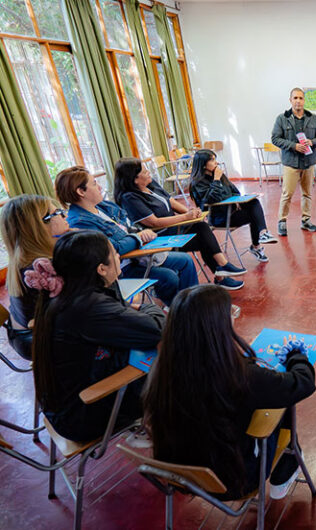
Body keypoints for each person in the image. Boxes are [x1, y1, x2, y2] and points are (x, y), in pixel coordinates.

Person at [142, 284, 316, 500]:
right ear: (216, 327)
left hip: (178, 474)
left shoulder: (162, 369)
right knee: (281, 400)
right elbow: (302, 383)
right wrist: (297, 356)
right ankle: (285, 471)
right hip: (235, 480)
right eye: (231, 312)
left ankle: (286, 469)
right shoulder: (237, 374)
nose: (234, 317)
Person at [29, 230, 165, 442]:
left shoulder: (68, 294)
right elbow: (156, 330)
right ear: (101, 269)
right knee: (182, 367)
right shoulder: (88, 307)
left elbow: (125, 313)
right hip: (85, 413)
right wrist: (148, 307)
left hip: (67, 404)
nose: (119, 256)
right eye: (114, 253)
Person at [56, 166, 205, 301]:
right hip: (120, 268)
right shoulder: (80, 222)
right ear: (81, 191)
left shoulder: (104, 206)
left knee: (185, 260)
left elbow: (129, 225)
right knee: (168, 277)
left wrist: (141, 233)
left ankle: (191, 307)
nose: (100, 187)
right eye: (94, 184)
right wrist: (137, 237)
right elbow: (112, 249)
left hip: (139, 255)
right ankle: (182, 314)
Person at [113, 157, 251, 282]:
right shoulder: (130, 198)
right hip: (161, 237)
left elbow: (171, 201)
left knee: (202, 229)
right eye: (144, 171)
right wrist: (186, 217)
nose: (148, 172)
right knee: (203, 236)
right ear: (134, 179)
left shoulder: (150, 184)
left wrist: (191, 212)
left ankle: (222, 269)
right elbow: (154, 222)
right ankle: (222, 271)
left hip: (175, 228)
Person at [0, 195, 70, 359]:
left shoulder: (24, 257)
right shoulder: (41, 267)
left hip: (24, 334)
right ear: (39, 225)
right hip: (41, 341)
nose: (65, 215)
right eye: (57, 212)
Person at [189, 149, 276, 265]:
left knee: (254, 203)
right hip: (219, 219)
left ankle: (263, 234)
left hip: (232, 212)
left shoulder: (220, 176)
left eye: (216, 159)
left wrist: (237, 200)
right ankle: (256, 246)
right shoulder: (198, 183)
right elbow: (211, 199)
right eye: (212, 160)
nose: (216, 163)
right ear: (203, 164)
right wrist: (216, 180)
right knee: (253, 214)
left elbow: (234, 191)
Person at [271, 88, 316, 236]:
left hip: (309, 162)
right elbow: (275, 139)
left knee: (307, 193)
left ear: (304, 100)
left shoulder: (313, 118)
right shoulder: (282, 118)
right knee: (287, 193)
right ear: (290, 100)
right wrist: (293, 146)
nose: (298, 101)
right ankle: (282, 222)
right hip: (291, 163)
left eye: (301, 98)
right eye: (295, 98)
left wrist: (312, 142)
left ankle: (306, 221)